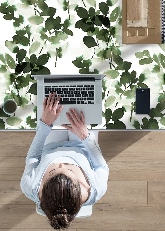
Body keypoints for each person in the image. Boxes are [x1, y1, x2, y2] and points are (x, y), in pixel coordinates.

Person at [21, 92, 109, 229]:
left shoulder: (30, 187)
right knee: (86, 103)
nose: (61, 163)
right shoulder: (96, 189)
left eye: (53, 171)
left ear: (42, 189)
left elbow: (33, 157)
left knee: (50, 107)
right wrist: (85, 136)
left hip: (50, 146)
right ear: (81, 187)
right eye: (69, 170)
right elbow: (101, 167)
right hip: (82, 145)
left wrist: (45, 124)